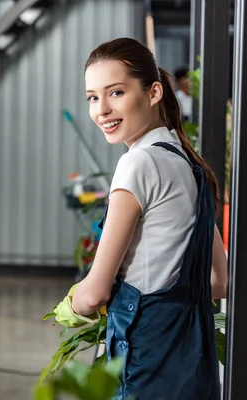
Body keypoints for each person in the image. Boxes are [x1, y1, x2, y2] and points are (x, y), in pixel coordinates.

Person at [52, 37, 228, 400]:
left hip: (146, 364)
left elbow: (95, 292)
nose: (101, 109)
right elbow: (218, 282)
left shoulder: (138, 163)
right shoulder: (190, 164)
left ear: (153, 93)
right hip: (194, 362)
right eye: (92, 97)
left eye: (115, 92)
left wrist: (71, 306)